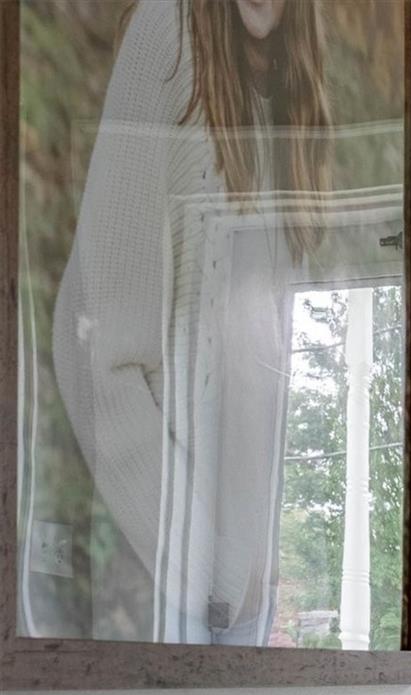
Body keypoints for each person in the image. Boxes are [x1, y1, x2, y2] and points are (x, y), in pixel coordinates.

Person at [53, 0, 331, 643]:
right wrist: (197, 563)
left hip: (243, 595)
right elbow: (93, 344)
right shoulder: (169, 36)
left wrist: (257, 569)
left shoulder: (288, 93)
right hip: (169, 579)